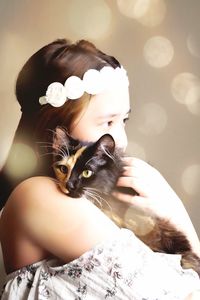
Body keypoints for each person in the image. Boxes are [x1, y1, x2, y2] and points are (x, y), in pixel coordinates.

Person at [0, 38, 200, 299]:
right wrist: (179, 219)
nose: (121, 141)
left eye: (124, 120)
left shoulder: (88, 204)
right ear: (56, 131)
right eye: (107, 123)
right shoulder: (37, 195)